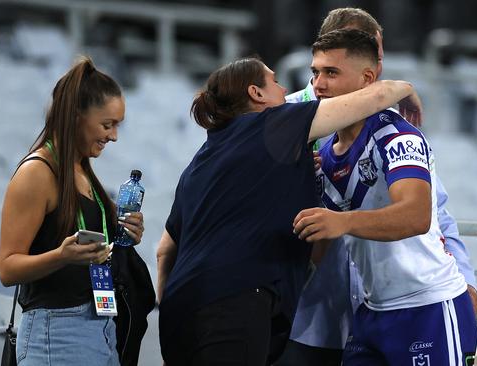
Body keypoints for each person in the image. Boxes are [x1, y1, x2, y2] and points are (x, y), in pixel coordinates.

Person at [155, 57, 423, 366]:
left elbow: (165, 251)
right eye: (274, 82)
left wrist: (172, 309)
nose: (284, 89)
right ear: (256, 94)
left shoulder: (201, 161)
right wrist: (404, 89)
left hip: (179, 312)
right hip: (233, 305)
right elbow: (375, 97)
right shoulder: (271, 123)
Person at [277, 7, 477, 365]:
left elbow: (423, 214)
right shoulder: (293, 125)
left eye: (331, 73)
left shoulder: (397, 133)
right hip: (350, 314)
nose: (320, 83)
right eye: (316, 72)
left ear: (370, 75)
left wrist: (466, 277)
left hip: (424, 305)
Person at [0, 57, 151, 366]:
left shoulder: (82, 171)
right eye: (107, 125)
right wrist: (62, 256)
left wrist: (125, 235)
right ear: (76, 116)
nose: (114, 136)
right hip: (56, 334)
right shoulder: (37, 173)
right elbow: (8, 268)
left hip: (100, 326)